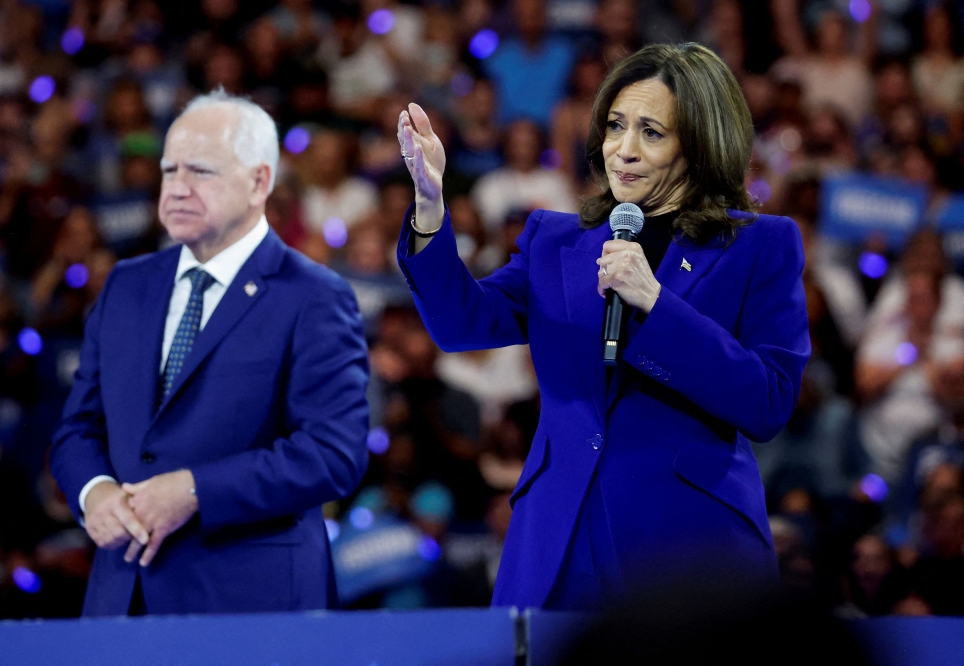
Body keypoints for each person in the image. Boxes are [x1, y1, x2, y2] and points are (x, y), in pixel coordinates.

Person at [395, 43, 810, 610]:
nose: (624, 151)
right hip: (557, 539)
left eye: (652, 132)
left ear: (701, 141)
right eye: (615, 126)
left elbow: (768, 401)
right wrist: (430, 209)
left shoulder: (760, 245)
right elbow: (462, 324)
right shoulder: (557, 240)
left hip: (689, 543)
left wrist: (657, 305)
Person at [50, 90, 370, 616]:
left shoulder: (314, 295)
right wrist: (96, 492)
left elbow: (333, 454)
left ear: (259, 181)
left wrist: (196, 490)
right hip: (123, 595)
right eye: (169, 170)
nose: (176, 189)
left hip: (251, 603)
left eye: (200, 172)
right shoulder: (126, 286)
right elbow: (77, 430)